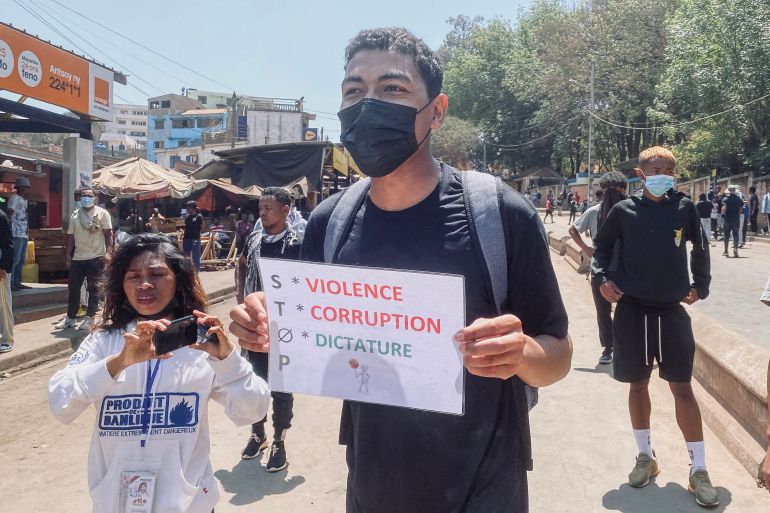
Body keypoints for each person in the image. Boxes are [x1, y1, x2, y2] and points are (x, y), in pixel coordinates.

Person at [229, 27, 571, 513]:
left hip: (485, 487)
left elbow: (557, 355)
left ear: (437, 110)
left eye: (392, 89)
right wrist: (264, 325)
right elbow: (307, 331)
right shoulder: (331, 221)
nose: (368, 105)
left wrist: (519, 355)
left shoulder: (500, 214)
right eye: (354, 92)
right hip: (372, 485)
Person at [48, 233, 269, 513]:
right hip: (115, 505)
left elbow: (253, 411)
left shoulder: (201, 342)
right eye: (133, 276)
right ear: (121, 283)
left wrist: (228, 360)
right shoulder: (105, 341)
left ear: (178, 279)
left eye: (157, 274)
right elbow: (60, 402)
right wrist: (118, 362)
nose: (144, 284)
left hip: (191, 506)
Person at [592, 146, 717, 508]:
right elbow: (601, 248)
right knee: (638, 384)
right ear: (641, 173)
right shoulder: (624, 211)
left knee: (682, 388)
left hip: (671, 311)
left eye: (667, 169)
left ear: (674, 174)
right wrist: (602, 279)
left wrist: (701, 285)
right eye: (654, 168)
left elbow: (701, 247)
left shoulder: (684, 208)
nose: (661, 173)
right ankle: (646, 456)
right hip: (632, 310)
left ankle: (699, 469)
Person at [237, 187, 302, 472]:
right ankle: (258, 434)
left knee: (282, 388)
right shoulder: (253, 240)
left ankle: (279, 440)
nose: (262, 213)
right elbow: (241, 266)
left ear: (286, 209)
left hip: (286, 327)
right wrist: (243, 302)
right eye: (260, 208)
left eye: (268, 208)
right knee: (255, 383)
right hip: (257, 325)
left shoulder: (298, 243)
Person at [569, 171, 627, 365]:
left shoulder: (595, 211)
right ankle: (618, 347)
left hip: (603, 269)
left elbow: (573, 229)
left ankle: (610, 348)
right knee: (621, 310)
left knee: (604, 311)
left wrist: (587, 248)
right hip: (619, 270)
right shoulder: (628, 211)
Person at [55, 188, 113, 331]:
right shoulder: (75, 215)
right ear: (79, 198)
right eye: (83, 196)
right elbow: (70, 237)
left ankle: (90, 318)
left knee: (93, 289)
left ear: (95, 198)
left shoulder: (102, 213)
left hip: (96, 257)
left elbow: (109, 235)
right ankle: (70, 318)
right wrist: (68, 255)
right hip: (78, 258)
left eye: (89, 196)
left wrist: (109, 253)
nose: (86, 198)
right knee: (73, 288)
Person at [8, 176, 31, 291]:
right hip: (16, 233)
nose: (28, 190)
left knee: (21, 260)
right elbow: (10, 213)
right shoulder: (14, 198)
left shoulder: (24, 201)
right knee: (15, 259)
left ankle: (17, 281)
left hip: (23, 234)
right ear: (21, 188)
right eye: (26, 187)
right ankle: (11, 282)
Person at [0, 207, 14, 353]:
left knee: (3, 305)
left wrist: (3, 266)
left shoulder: (1, 217)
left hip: (1, 269)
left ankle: (6, 339)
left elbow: (8, 244)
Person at [721, 185, 743, 258]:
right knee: (735, 235)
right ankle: (735, 249)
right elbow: (740, 210)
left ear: (729, 191)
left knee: (726, 235)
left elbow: (724, 208)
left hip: (727, 219)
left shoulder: (725, 199)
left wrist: (723, 216)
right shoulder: (739, 199)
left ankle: (726, 251)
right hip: (736, 219)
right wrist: (737, 215)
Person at [182, 201, 203, 273]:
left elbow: (202, 227)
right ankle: (187, 273)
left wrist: (197, 234)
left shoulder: (199, 216)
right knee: (186, 257)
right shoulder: (187, 217)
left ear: (193, 208)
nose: (187, 209)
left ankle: (196, 273)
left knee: (195, 258)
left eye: (188, 207)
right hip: (186, 239)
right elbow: (186, 227)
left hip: (195, 239)